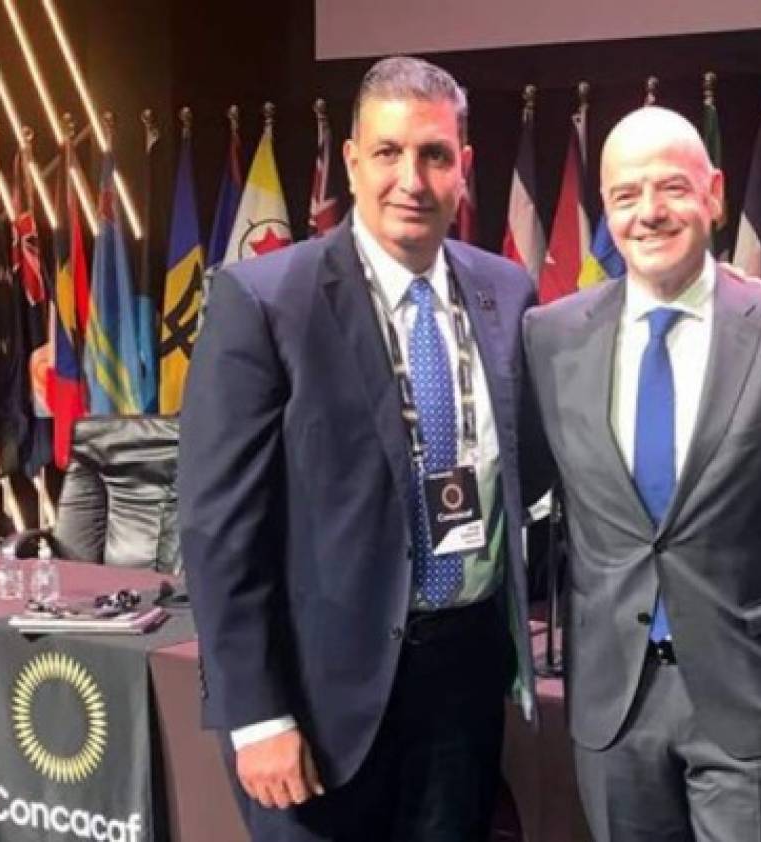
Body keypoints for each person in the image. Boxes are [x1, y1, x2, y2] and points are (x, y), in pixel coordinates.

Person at [179, 55, 547, 841]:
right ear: (351, 161)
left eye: (434, 154)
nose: (411, 179)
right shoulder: (264, 300)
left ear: (464, 167)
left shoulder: (507, 292)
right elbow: (218, 530)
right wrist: (255, 714)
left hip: (464, 682)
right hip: (318, 700)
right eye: (388, 152)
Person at [523, 105, 761, 842]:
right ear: (606, 210)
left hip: (749, 692)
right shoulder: (551, 336)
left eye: (671, 187)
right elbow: (526, 487)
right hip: (612, 702)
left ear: (715, 194)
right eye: (626, 194)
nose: (650, 212)